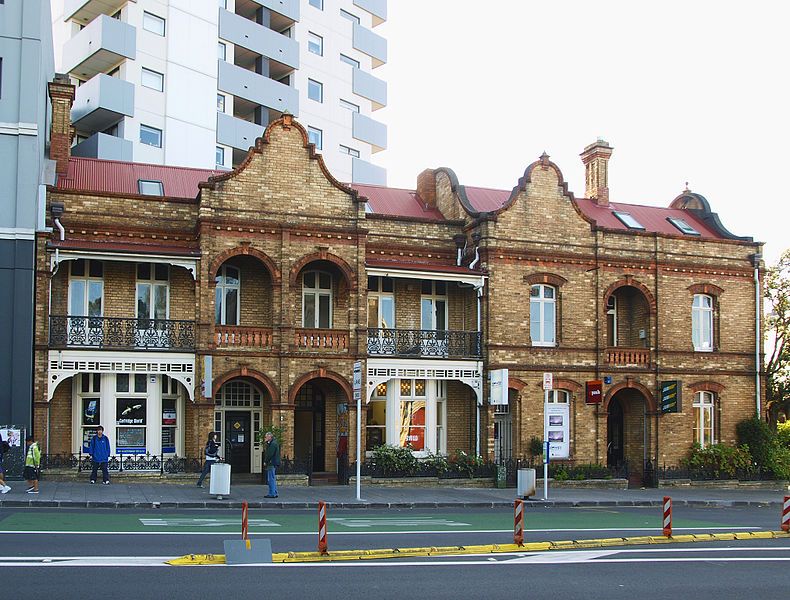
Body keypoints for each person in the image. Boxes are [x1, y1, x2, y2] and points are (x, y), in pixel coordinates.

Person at [263, 431, 280, 498]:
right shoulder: (272, 443)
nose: (265, 438)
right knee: (272, 478)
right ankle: (274, 492)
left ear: (270, 437)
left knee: (270, 479)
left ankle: (272, 493)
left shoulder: (272, 444)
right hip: (273, 462)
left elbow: (269, 454)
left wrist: (265, 461)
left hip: (271, 463)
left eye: (266, 437)